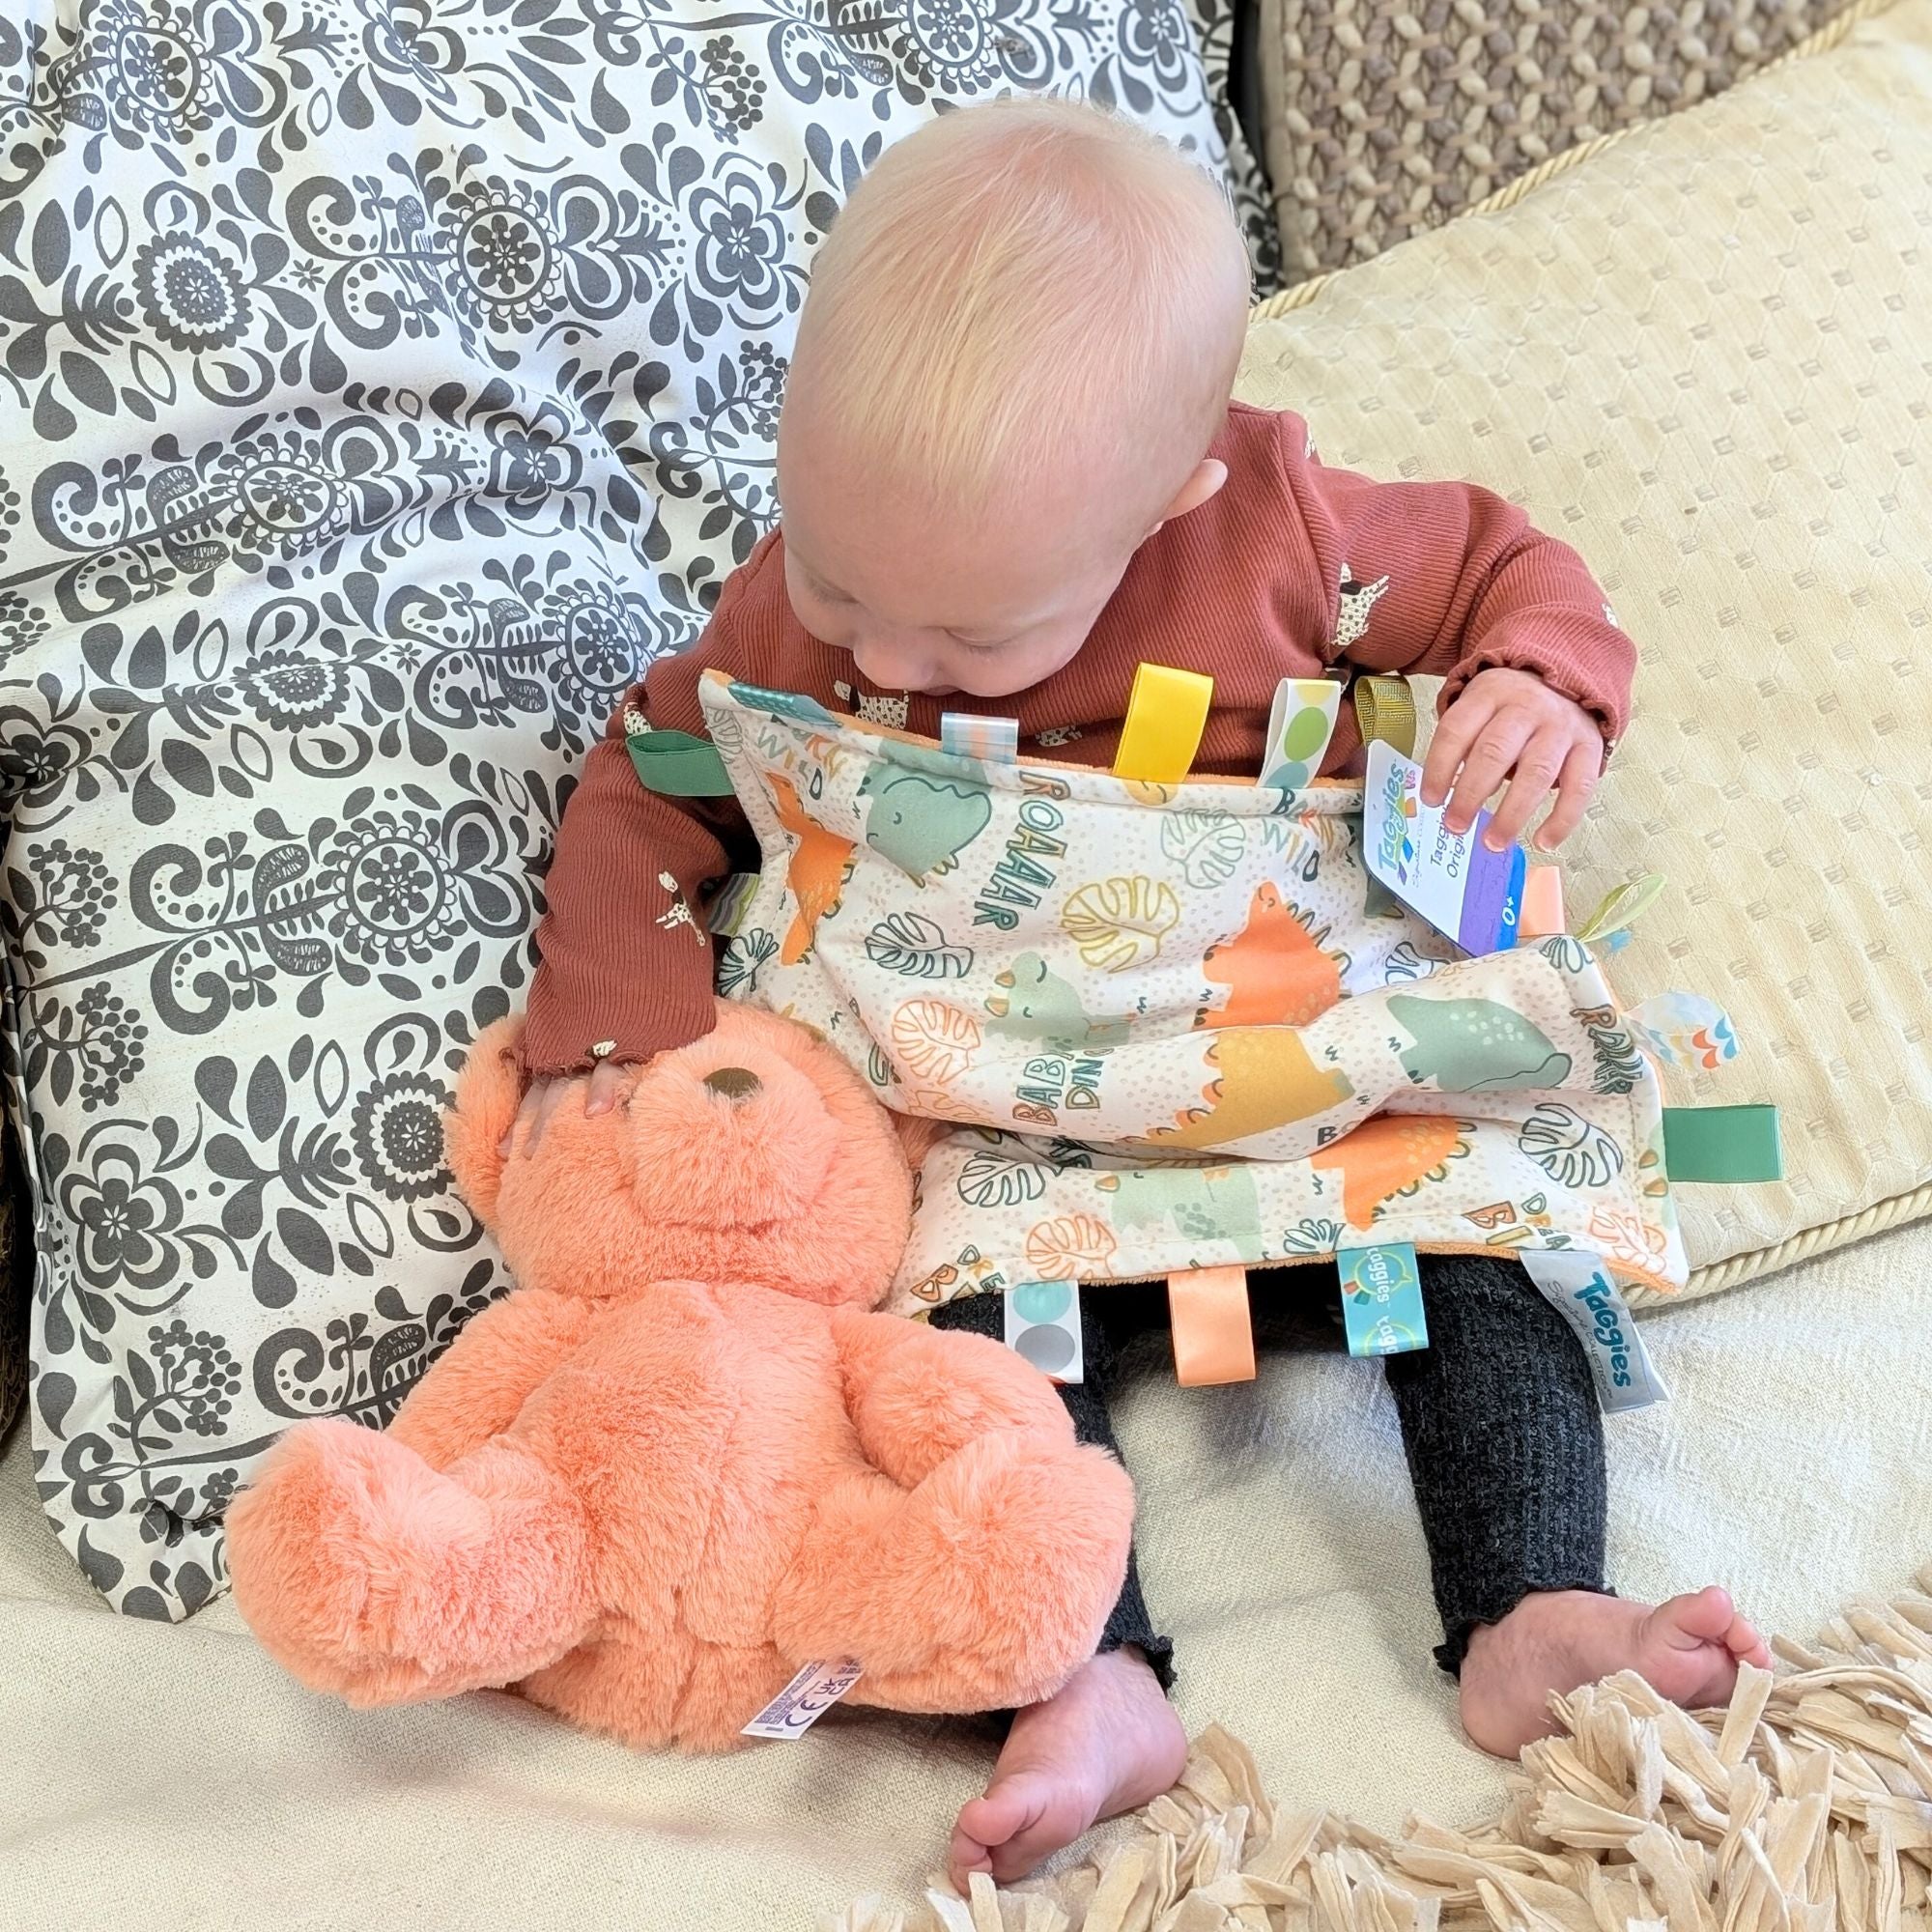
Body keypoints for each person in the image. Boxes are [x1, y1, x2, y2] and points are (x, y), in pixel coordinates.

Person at [506, 97, 1769, 1892]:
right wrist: (620, 1020)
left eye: (972, 638)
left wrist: (1540, 688)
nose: (877, 658)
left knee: (1489, 1242)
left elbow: (1511, 571)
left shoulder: (1286, 530)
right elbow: (656, 779)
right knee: (942, 1341)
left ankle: (1530, 1602)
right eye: (843, 583)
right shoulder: (806, 609)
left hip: (1312, 1069)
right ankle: (1090, 1674)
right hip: (1008, 1101)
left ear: (1174, 495)